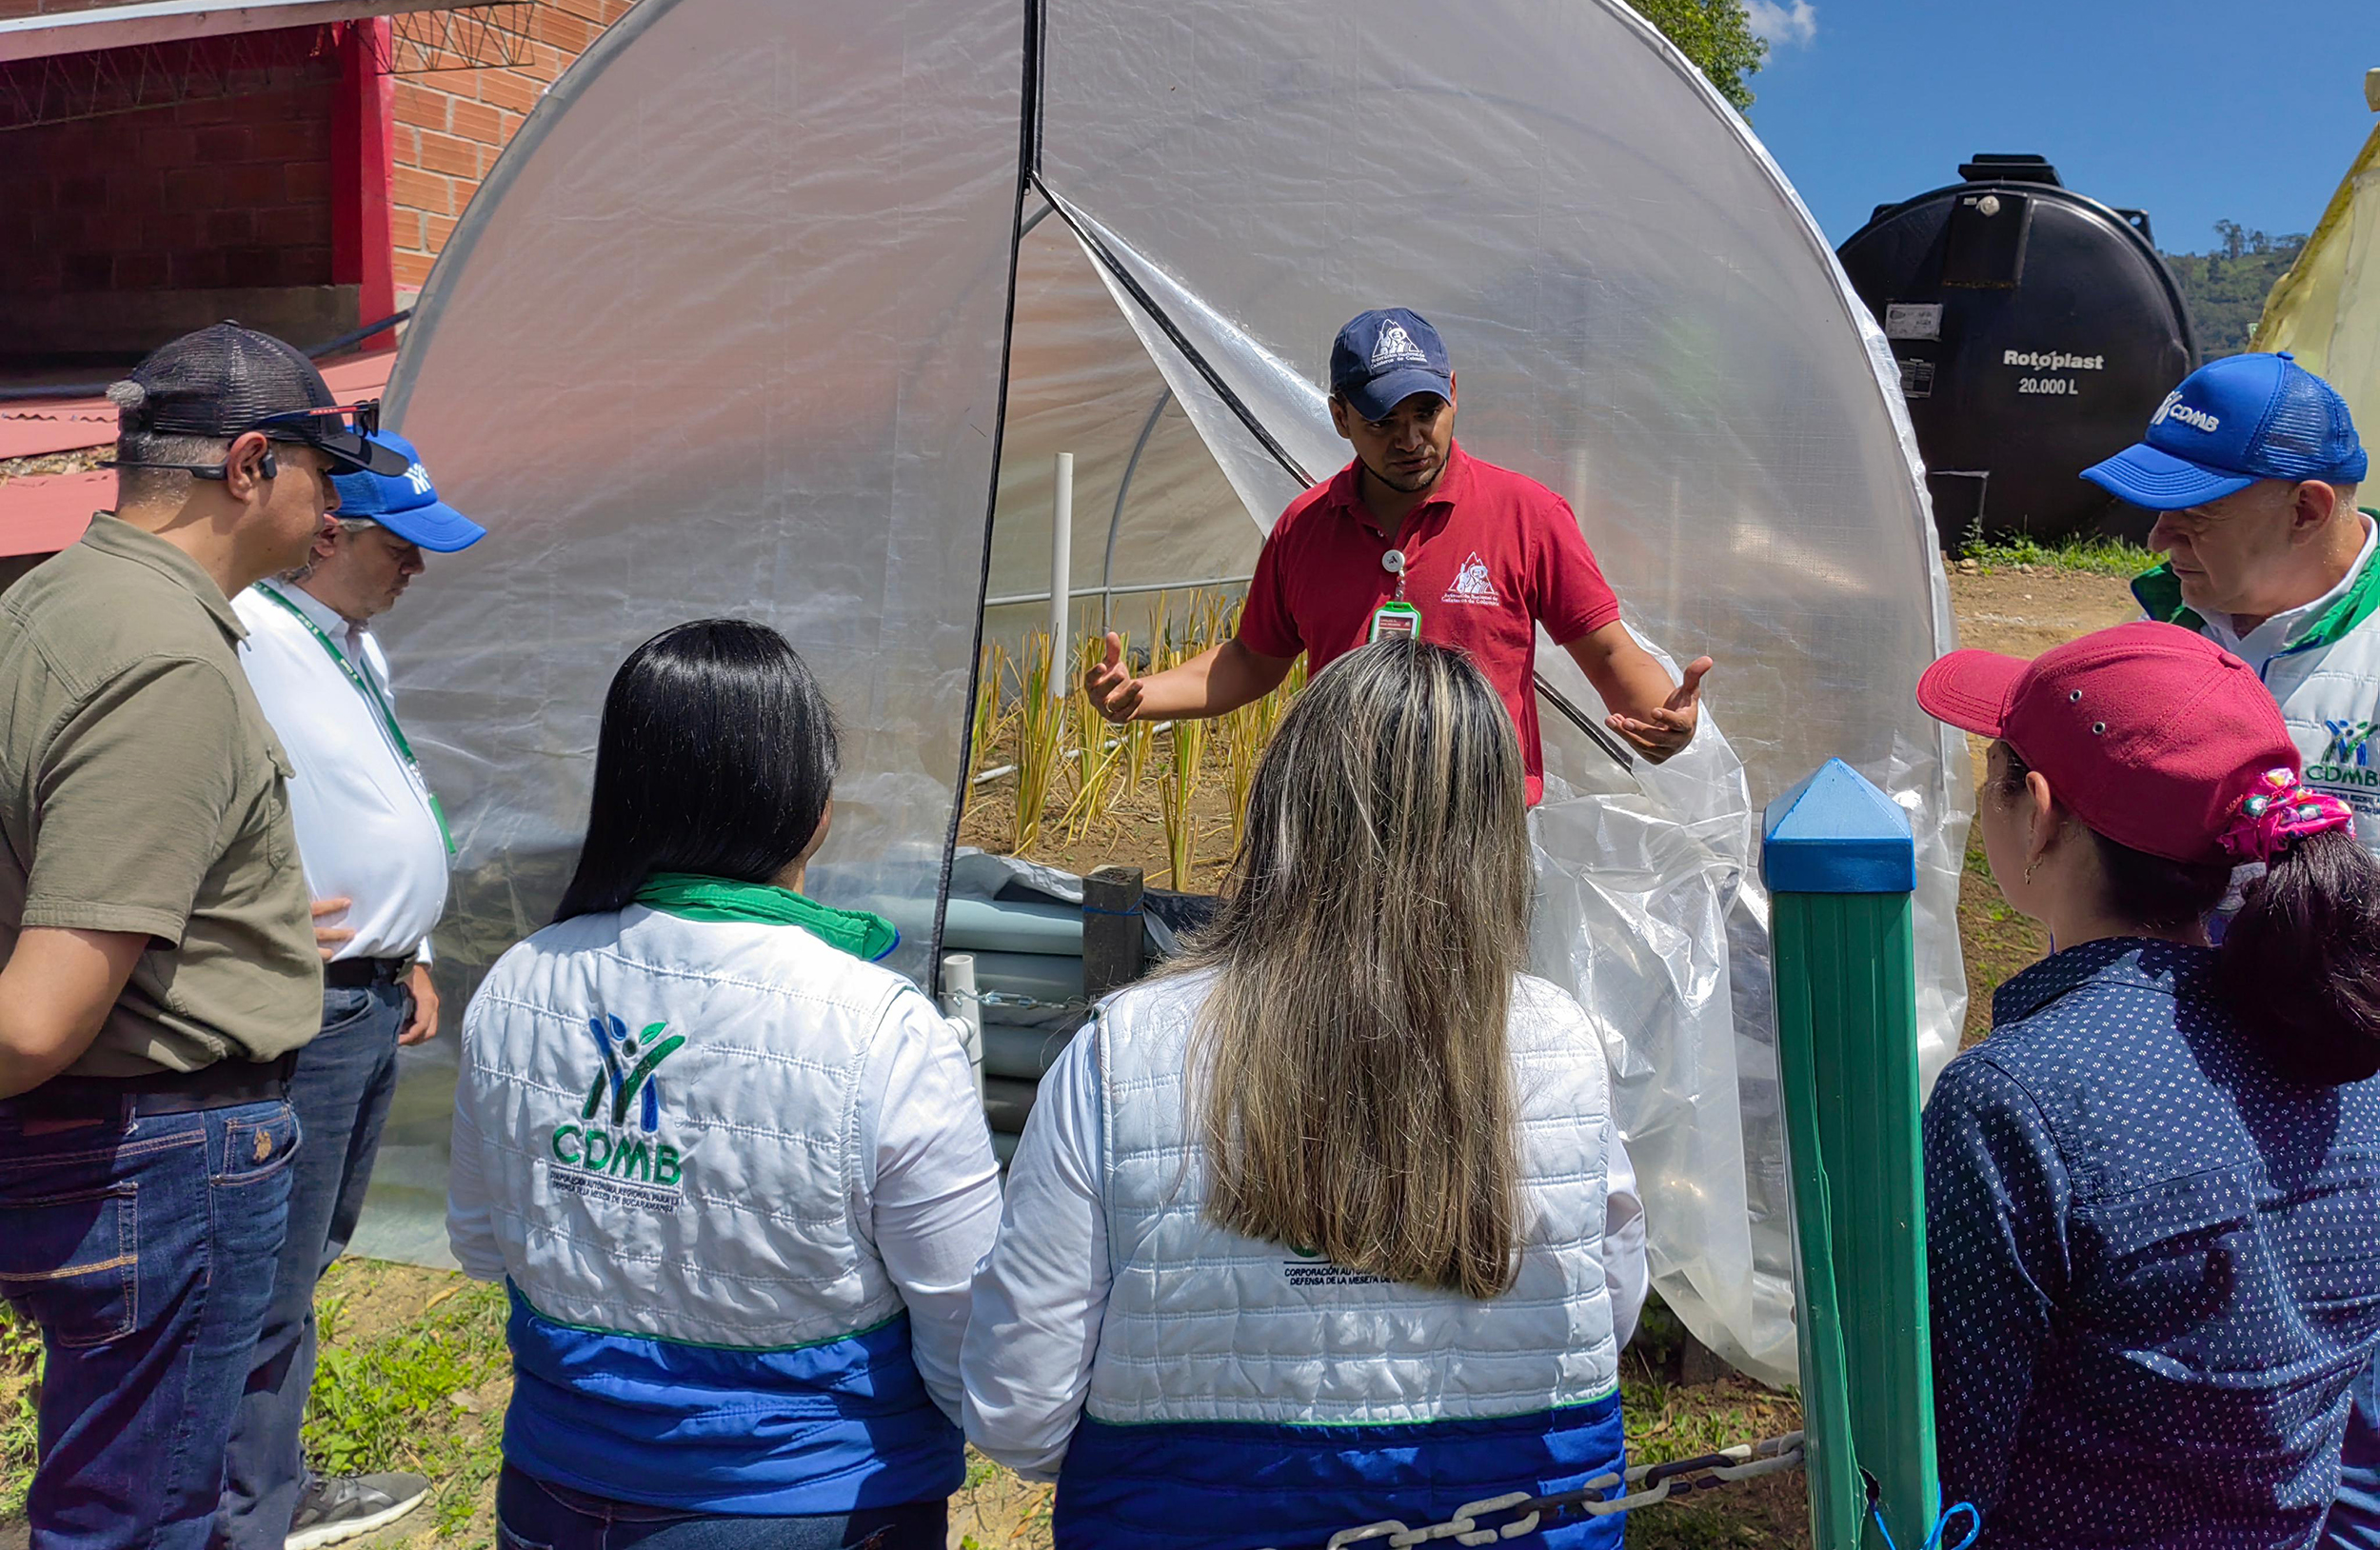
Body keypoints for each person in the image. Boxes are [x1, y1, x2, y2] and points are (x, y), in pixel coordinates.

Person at [965, 638, 1648, 1549]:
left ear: (1282, 803)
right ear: (1497, 837)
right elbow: (1606, 1311)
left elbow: (1019, 1406)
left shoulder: (1121, 1050)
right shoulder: (1563, 1044)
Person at [446, 620, 1002, 1550]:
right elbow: (967, 1314)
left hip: (555, 1495)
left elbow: (477, 1241)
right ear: (812, 807)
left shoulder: (519, 979)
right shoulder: (879, 1024)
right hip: (818, 1501)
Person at [0, 322, 407, 1550]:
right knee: (139, 1519)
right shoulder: (163, 654)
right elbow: (39, 1014)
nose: (333, 509)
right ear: (248, 464)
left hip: (113, 1146)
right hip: (155, 1152)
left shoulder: (55, 600)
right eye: (320, 474)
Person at [1914, 620, 2380, 1545]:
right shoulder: (2344, 1053)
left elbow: (1942, 1475)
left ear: (2038, 810)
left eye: (1991, 771)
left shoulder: (2011, 1102)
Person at [2081, 353, 2380, 1545]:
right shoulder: (2160, 627)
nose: (2157, 536)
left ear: (2307, 506)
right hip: (2186, 1102)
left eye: (2192, 511)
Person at [1081, 308, 1713, 805]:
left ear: (1453, 394)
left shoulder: (1528, 516)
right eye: (1383, 421)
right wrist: (1141, 693)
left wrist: (1662, 717)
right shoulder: (1305, 528)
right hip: (1342, 815)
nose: (1411, 440)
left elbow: (1606, 650)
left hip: (1478, 826)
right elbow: (1253, 660)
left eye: (1427, 412)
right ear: (1340, 417)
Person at [218, 433, 489, 1550]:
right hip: (305, 996)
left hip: (365, 988)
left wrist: (409, 943)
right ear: (327, 529)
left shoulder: (349, 643)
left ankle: (266, 1482)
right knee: (269, 1265)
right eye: (399, 544)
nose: (416, 566)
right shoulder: (247, 635)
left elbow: (364, 792)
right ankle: (242, 1506)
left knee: (312, 1247)